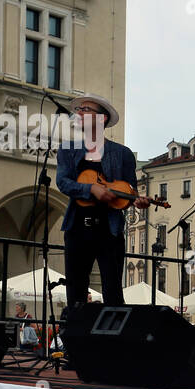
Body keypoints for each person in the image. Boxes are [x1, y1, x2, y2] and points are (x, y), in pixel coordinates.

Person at [55, 93, 150, 314]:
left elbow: (130, 191)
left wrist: (139, 201)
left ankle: (113, 344)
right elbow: (63, 182)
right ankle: (76, 344)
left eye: (85, 110)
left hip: (109, 230)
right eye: (78, 110)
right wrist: (91, 189)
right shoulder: (68, 149)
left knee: (113, 290)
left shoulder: (122, 154)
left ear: (102, 119)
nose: (79, 114)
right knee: (76, 291)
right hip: (77, 226)